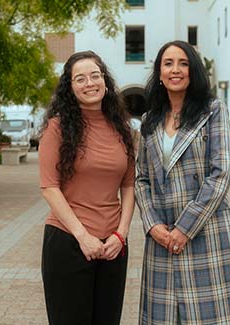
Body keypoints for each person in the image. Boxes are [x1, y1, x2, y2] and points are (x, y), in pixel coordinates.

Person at [135, 40, 230, 324]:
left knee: (208, 317)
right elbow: (140, 178)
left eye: (183, 63)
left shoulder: (213, 111)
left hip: (205, 233)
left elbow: (220, 173)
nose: (176, 70)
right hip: (162, 238)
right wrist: (153, 226)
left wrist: (185, 229)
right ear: (159, 73)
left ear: (193, 71)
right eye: (168, 63)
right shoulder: (149, 120)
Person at [38, 51, 135, 325]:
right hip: (69, 241)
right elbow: (49, 187)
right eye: (80, 79)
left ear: (105, 80)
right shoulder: (57, 128)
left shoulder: (122, 128)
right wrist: (83, 236)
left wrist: (121, 235)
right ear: (70, 88)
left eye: (95, 75)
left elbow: (129, 185)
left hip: (113, 246)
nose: (89, 83)